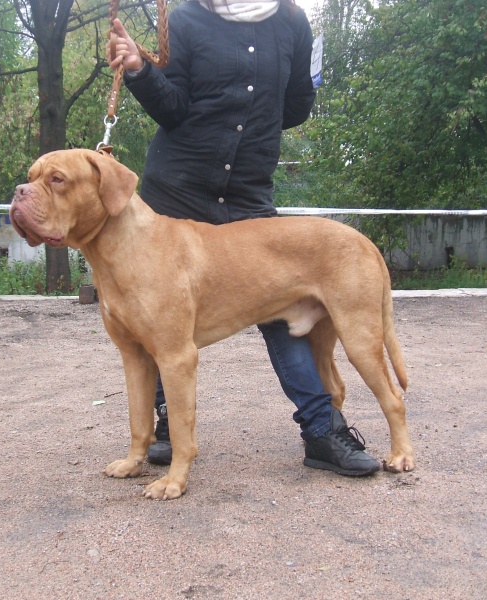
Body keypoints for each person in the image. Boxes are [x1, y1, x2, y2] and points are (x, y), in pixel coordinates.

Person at [107, 0, 380, 476]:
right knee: (158, 316)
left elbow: (296, 106)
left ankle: (322, 430)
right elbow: (173, 108)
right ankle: (168, 425)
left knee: (282, 310)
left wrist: (253, 118)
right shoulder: (187, 18)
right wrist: (139, 70)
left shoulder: (292, 22)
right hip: (178, 190)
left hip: (247, 189)